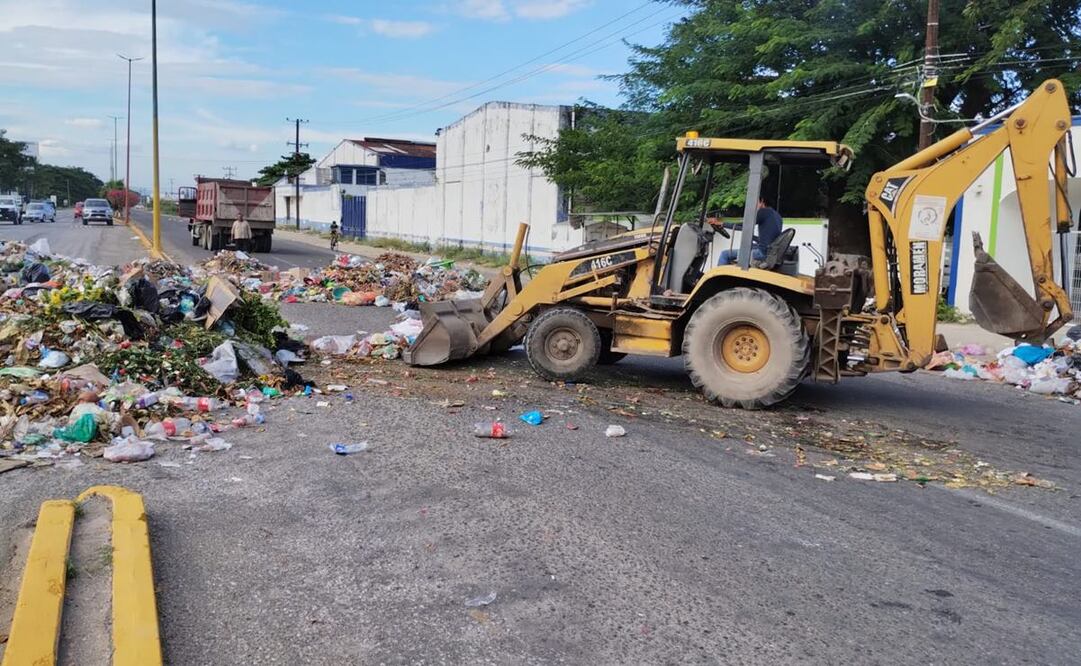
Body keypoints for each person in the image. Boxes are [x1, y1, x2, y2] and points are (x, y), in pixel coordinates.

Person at [713, 197, 783, 265]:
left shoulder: (764, 211)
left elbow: (745, 225)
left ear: (762, 201)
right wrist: (753, 237)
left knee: (724, 254)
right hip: (768, 251)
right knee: (746, 248)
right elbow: (768, 239)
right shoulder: (777, 216)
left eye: (756, 201)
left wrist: (723, 223)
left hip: (762, 253)